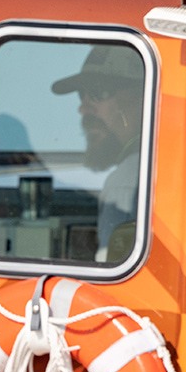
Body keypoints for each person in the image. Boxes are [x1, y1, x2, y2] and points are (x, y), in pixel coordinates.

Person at [52, 44, 145, 264]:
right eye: (81, 94)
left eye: (98, 91)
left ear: (141, 94)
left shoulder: (126, 181)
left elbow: (114, 283)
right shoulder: (150, 166)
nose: (83, 108)